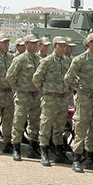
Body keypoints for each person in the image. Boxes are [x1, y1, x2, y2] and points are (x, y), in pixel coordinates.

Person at [64, 32, 93, 172]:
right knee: (81, 127)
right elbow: (69, 77)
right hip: (84, 97)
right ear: (89, 43)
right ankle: (76, 158)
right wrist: (78, 86)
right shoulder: (79, 59)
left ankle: (89, 157)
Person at [33, 36, 72, 166]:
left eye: (64, 46)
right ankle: (44, 152)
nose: (62, 48)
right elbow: (37, 78)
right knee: (46, 125)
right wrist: (45, 90)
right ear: (54, 46)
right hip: (50, 98)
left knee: (59, 127)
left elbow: (70, 78)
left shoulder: (67, 61)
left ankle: (59, 153)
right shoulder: (47, 61)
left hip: (62, 98)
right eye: (60, 46)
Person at [6, 34, 41, 161]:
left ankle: (33, 148)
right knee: (19, 121)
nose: (34, 46)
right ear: (26, 45)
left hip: (35, 95)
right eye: (31, 43)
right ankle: (16, 148)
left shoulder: (38, 60)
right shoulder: (20, 59)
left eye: (36, 43)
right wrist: (18, 88)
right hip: (23, 95)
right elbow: (10, 76)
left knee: (34, 122)